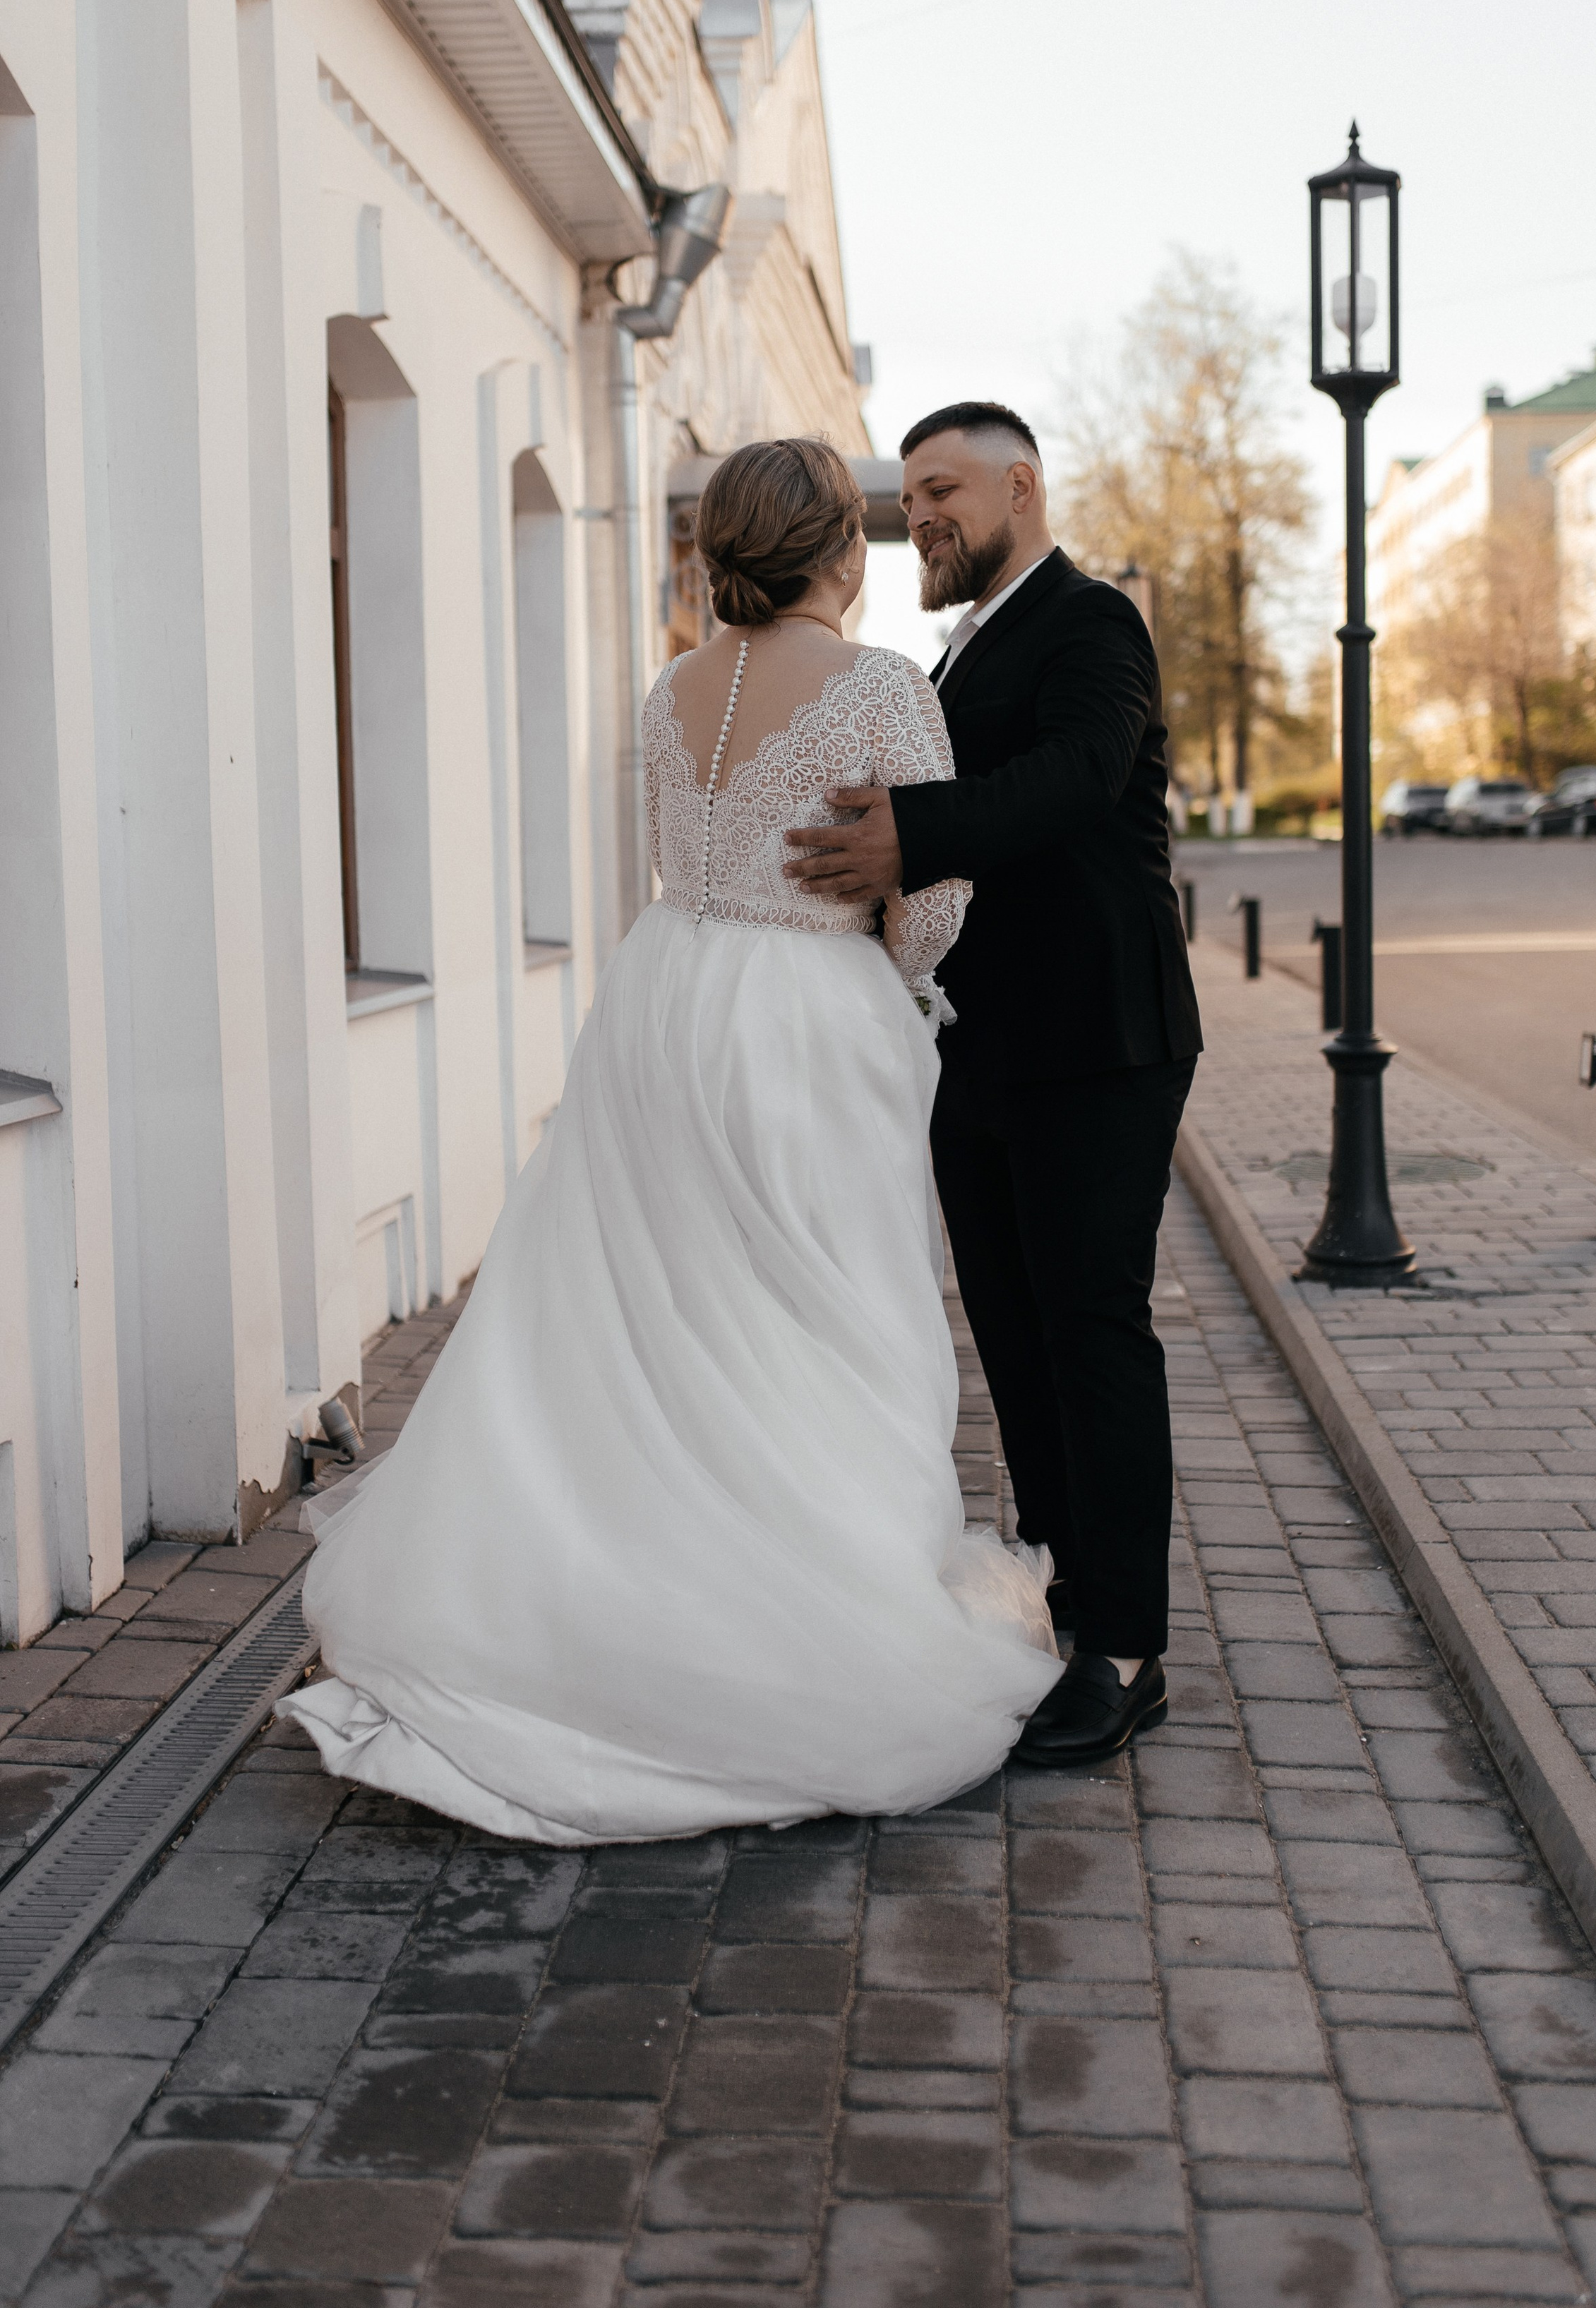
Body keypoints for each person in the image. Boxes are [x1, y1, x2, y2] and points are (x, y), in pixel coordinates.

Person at [282, 438, 1059, 1842]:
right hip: (807, 1011)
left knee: (655, 1302)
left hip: (668, 995)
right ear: (839, 547)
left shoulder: (669, 689)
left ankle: (617, 1592)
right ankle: (792, 1630)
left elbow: (662, 854)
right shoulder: (881, 688)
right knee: (822, 1316)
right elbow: (927, 905)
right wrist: (901, 986)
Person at [784, 402, 1201, 1768]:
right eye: (912, 496)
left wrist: (909, 834)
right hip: (978, 1047)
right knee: (1015, 1343)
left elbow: (1076, 781)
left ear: (1020, 487)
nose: (925, 517)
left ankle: (1127, 1653)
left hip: (1098, 1040)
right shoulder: (953, 656)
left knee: (1090, 1333)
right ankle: (1062, 1596)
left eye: (946, 489)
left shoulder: (1092, 624)